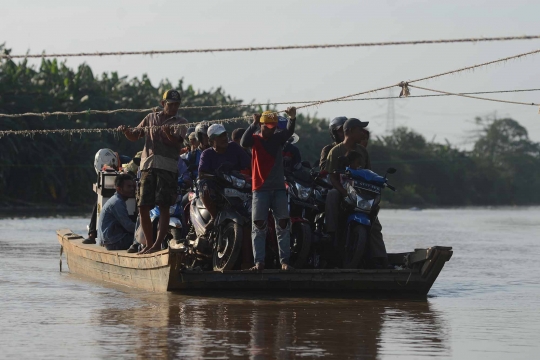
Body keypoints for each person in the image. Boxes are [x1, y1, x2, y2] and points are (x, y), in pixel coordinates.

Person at [117, 89, 188, 254]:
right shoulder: (150, 118)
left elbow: (178, 143)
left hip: (167, 168)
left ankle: (157, 245)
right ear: (163, 104)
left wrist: (169, 134)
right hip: (148, 166)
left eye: (176, 104)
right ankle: (149, 244)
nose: (174, 108)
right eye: (170, 104)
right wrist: (126, 131)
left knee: (164, 206)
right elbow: (135, 135)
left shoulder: (181, 122)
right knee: (143, 206)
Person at [240, 108, 297, 272]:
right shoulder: (255, 140)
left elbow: (289, 131)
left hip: (278, 188)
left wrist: (292, 117)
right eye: (268, 126)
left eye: (274, 127)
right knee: (258, 226)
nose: (271, 130)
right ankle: (259, 262)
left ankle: (284, 261)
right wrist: (253, 124)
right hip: (260, 189)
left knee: (283, 225)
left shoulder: (278, 138)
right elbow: (243, 142)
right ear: (262, 125)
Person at [325, 118, 388, 266]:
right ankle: (331, 232)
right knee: (332, 194)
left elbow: (369, 174)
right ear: (350, 131)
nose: (363, 133)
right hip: (343, 191)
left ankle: (381, 259)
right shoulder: (335, 151)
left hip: (360, 193)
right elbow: (332, 178)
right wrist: (344, 192)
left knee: (375, 223)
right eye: (360, 129)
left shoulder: (363, 151)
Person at [198, 124, 251, 229]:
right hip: (217, 184)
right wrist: (215, 176)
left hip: (235, 182)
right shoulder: (206, 154)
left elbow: (249, 163)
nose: (224, 138)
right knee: (204, 185)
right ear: (212, 140)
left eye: (225, 135)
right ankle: (214, 217)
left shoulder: (234, 147)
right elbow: (202, 173)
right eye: (220, 136)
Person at [97, 174, 137, 251]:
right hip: (113, 242)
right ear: (119, 189)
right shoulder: (117, 203)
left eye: (133, 186)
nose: (132, 189)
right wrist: (145, 231)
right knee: (144, 240)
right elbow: (128, 226)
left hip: (110, 239)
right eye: (129, 186)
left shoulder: (118, 200)